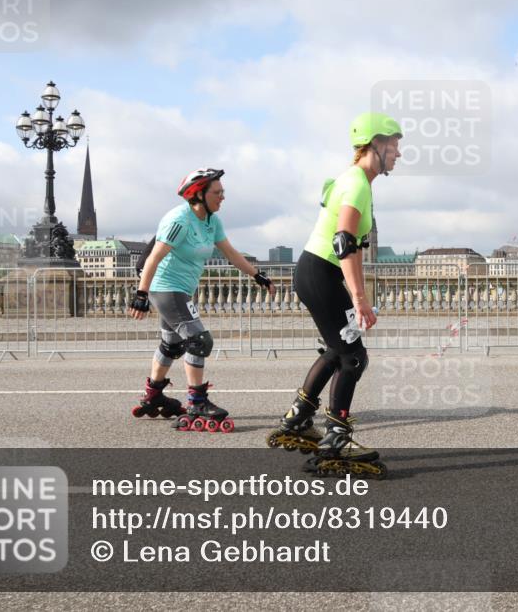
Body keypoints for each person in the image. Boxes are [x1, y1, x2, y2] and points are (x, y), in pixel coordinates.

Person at [267, 112, 401, 479]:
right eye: (394, 145)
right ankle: (336, 438)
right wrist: (359, 299)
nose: (398, 154)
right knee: (354, 357)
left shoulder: (353, 179)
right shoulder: (358, 182)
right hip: (321, 273)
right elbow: (344, 242)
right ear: (375, 144)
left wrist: (355, 293)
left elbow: (347, 245)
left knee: (336, 349)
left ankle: (298, 418)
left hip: (314, 271)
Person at [128, 168, 271, 432]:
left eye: (222, 192)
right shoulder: (179, 220)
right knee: (198, 340)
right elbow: (154, 258)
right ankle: (196, 401)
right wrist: (141, 294)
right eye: (217, 193)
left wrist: (257, 275)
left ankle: (153, 394)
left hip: (183, 290)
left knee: (172, 345)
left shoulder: (212, 221)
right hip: (166, 288)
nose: (222, 197)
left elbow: (230, 253)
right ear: (198, 195)